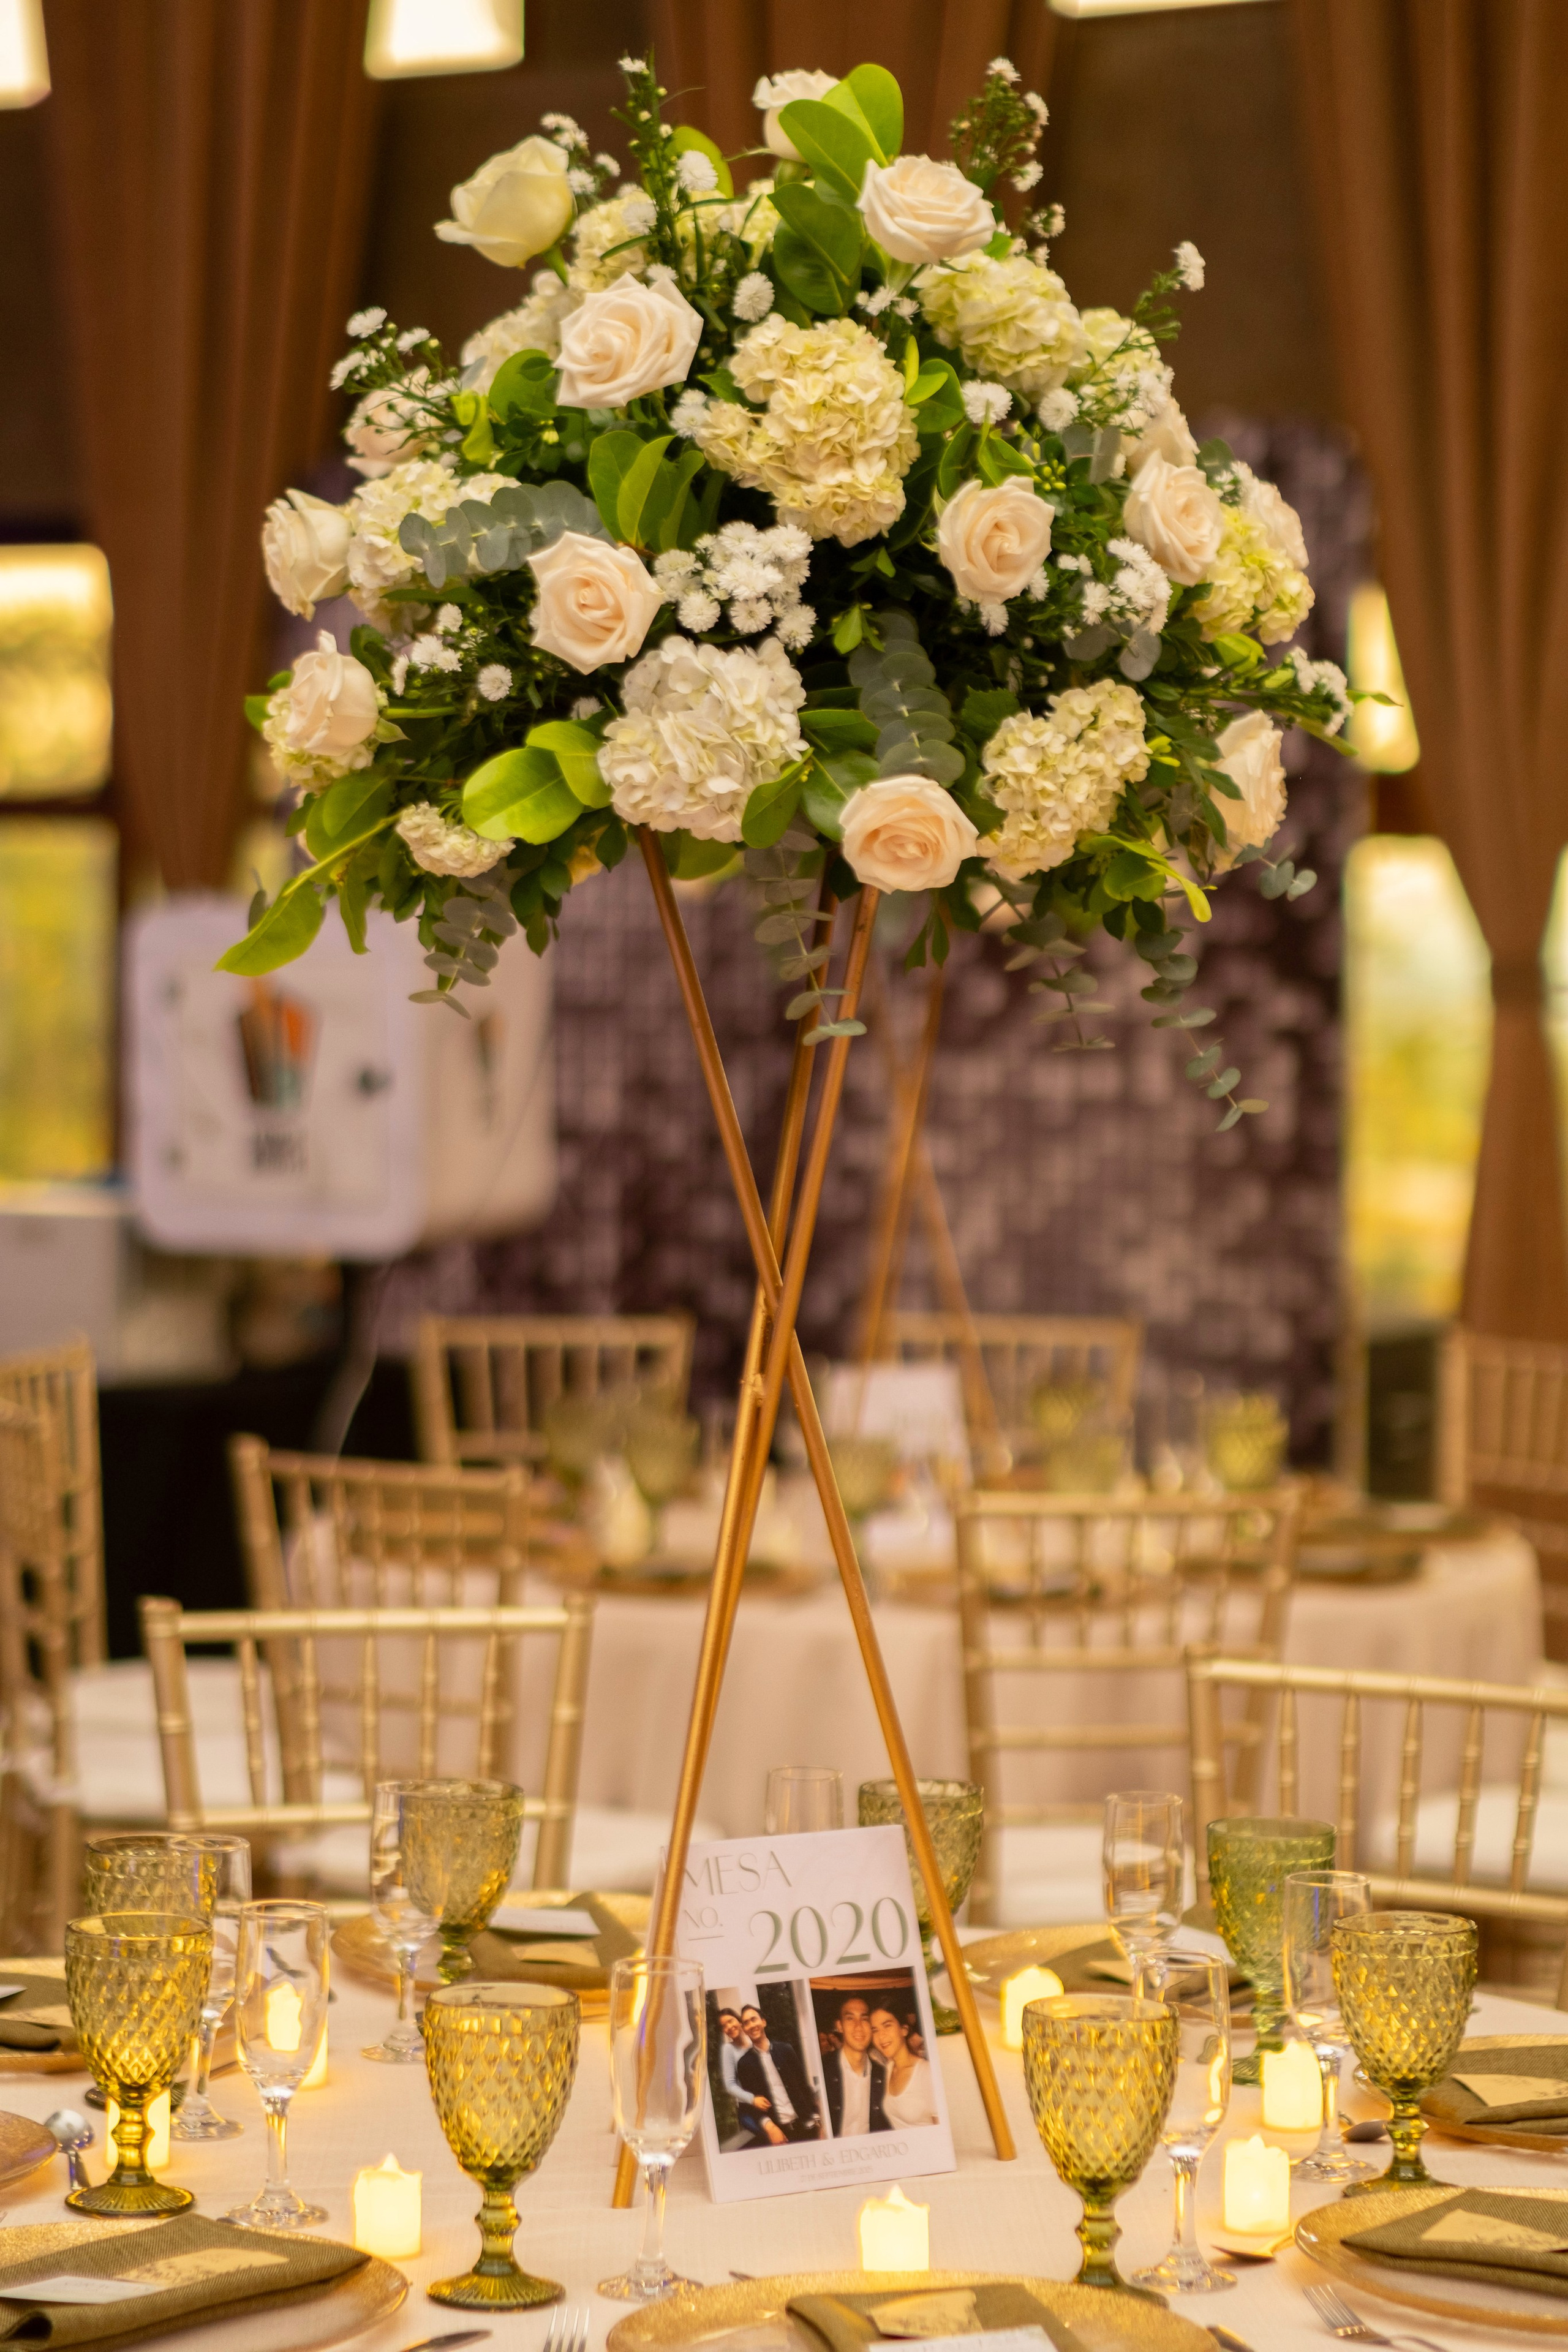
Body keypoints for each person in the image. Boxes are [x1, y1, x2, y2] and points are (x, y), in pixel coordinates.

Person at [735, 2001, 820, 2145]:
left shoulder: (786, 2050)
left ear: (763, 2022)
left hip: (808, 2128)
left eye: (754, 2019)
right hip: (780, 2135)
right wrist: (769, 2126)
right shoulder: (744, 2064)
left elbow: (803, 2086)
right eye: (746, 2023)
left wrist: (818, 2119)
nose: (751, 2025)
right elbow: (752, 2103)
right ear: (744, 2029)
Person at [823, 1991, 889, 2136]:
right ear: (840, 2026)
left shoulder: (884, 2076)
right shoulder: (824, 2070)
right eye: (850, 2019)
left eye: (864, 2019)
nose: (858, 2026)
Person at [870, 2001, 939, 2128]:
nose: (881, 2036)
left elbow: (941, 2131)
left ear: (904, 2030)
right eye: (875, 2031)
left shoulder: (926, 2072)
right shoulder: (889, 2068)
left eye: (887, 2026)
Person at [715, 2004, 765, 2145]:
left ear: (739, 2021)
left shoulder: (754, 2043)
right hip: (749, 2109)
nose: (729, 2027)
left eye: (730, 2021)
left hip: (767, 2102)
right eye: (724, 2026)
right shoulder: (728, 2049)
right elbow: (730, 2085)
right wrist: (752, 2099)